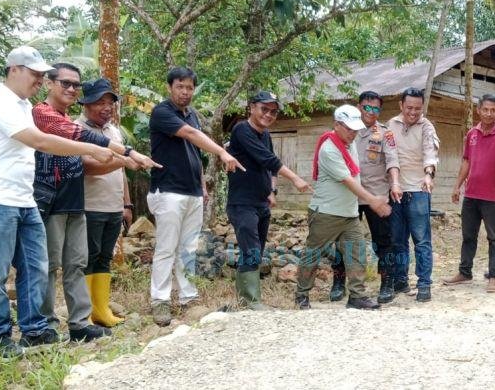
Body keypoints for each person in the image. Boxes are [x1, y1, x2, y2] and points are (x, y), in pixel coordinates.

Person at [0, 46, 115, 357]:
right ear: (14, 69)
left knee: (36, 265)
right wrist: (95, 149)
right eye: (35, 74)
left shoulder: (22, 105)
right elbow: (41, 141)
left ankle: (35, 329)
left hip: (22, 198)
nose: (38, 80)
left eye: (42, 75)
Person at [33, 64, 157, 342]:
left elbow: (101, 155)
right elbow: (87, 144)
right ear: (48, 84)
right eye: (65, 83)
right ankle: (46, 325)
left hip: (75, 201)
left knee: (77, 263)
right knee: (50, 265)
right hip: (52, 201)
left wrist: (126, 199)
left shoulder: (108, 129)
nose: (70, 89)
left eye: (75, 85)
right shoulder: (44, 115)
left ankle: (80, 324)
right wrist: (126, 155)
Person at [148, 67, 244, 326]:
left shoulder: (192, 116)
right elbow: (191, 136)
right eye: (180, 86)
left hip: (192, 191)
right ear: (170, 87)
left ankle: (188, 297)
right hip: (168, 190)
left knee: (188, 248)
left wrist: (201, 185)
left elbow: (195, 153)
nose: (185, 92)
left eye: (190, 87)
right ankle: (160, 301)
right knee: (167, 248)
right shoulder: (162, 112)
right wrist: (223, 153)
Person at [295, 105, 391, 310]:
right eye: (349, 129)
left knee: (357, 253)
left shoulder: (350, 142)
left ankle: (357, 296)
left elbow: (356, 175)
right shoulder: (329, 149)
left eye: (356, 129)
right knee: (313, 254)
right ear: (337, 125)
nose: (353, 133)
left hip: (348, 212)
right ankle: (301, 294)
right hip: (327, 212)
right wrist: (373, 201)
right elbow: (348, 180)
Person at [225, 91, 311, 310]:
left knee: (256, 249)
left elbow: (268, 167)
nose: (269, 115)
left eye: (273, 112)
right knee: (251, 248)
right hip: (242, 202)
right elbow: (268, 159)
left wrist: (272, 190)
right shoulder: (242, 129)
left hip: (261, 202)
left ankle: (245, 298)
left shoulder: (265, 135)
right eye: (264, 109)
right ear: (252, 107)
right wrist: (295, 178)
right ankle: (252, 301)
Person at [329, 91, 402, 304]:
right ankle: (338, 282)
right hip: (348, 196)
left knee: (383, 242)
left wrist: (395, 183)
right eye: (367, 107)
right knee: (342, 242)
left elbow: (392, 161)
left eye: (376, 108)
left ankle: (387, 283)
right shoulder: (345, 131)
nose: (371, 112)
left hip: (376, 196)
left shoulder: (385, 134)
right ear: (359, 107)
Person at [76, 78, 138, 327]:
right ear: (86, 104)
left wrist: (127, 204)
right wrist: (124, 160)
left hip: (113, 207)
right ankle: (85, 313)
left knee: (104, 258)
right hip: (90, 206)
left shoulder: (114, 131)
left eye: (110, 103)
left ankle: (101, 310)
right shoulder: (76, 129)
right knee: (88, 258)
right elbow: (87, 167)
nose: (106, 108)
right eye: (100, 102)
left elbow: (120, 173)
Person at [443, 94, 495, 293]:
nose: (489, 114)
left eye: (493, 110)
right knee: (468, 236)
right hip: (471, 195)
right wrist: (457, 186)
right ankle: (465, 272)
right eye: (485, 110)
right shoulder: (471, 134)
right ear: (479, 110)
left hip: (492, 197)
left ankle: (494, 275)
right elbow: (466, 161)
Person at [387, 87, 439, 302]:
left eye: (418, 109)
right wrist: (395, 183)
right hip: (396, 190)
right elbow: (391, 156)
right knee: (398, 240)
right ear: (401, 106)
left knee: (421, 240)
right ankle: (400, 280)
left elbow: (430, 151)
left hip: (419, 190)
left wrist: (428, 175)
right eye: (409, 108)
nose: (413, 112)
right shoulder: (391, 125)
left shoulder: (426, 126)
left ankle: (424, 283)